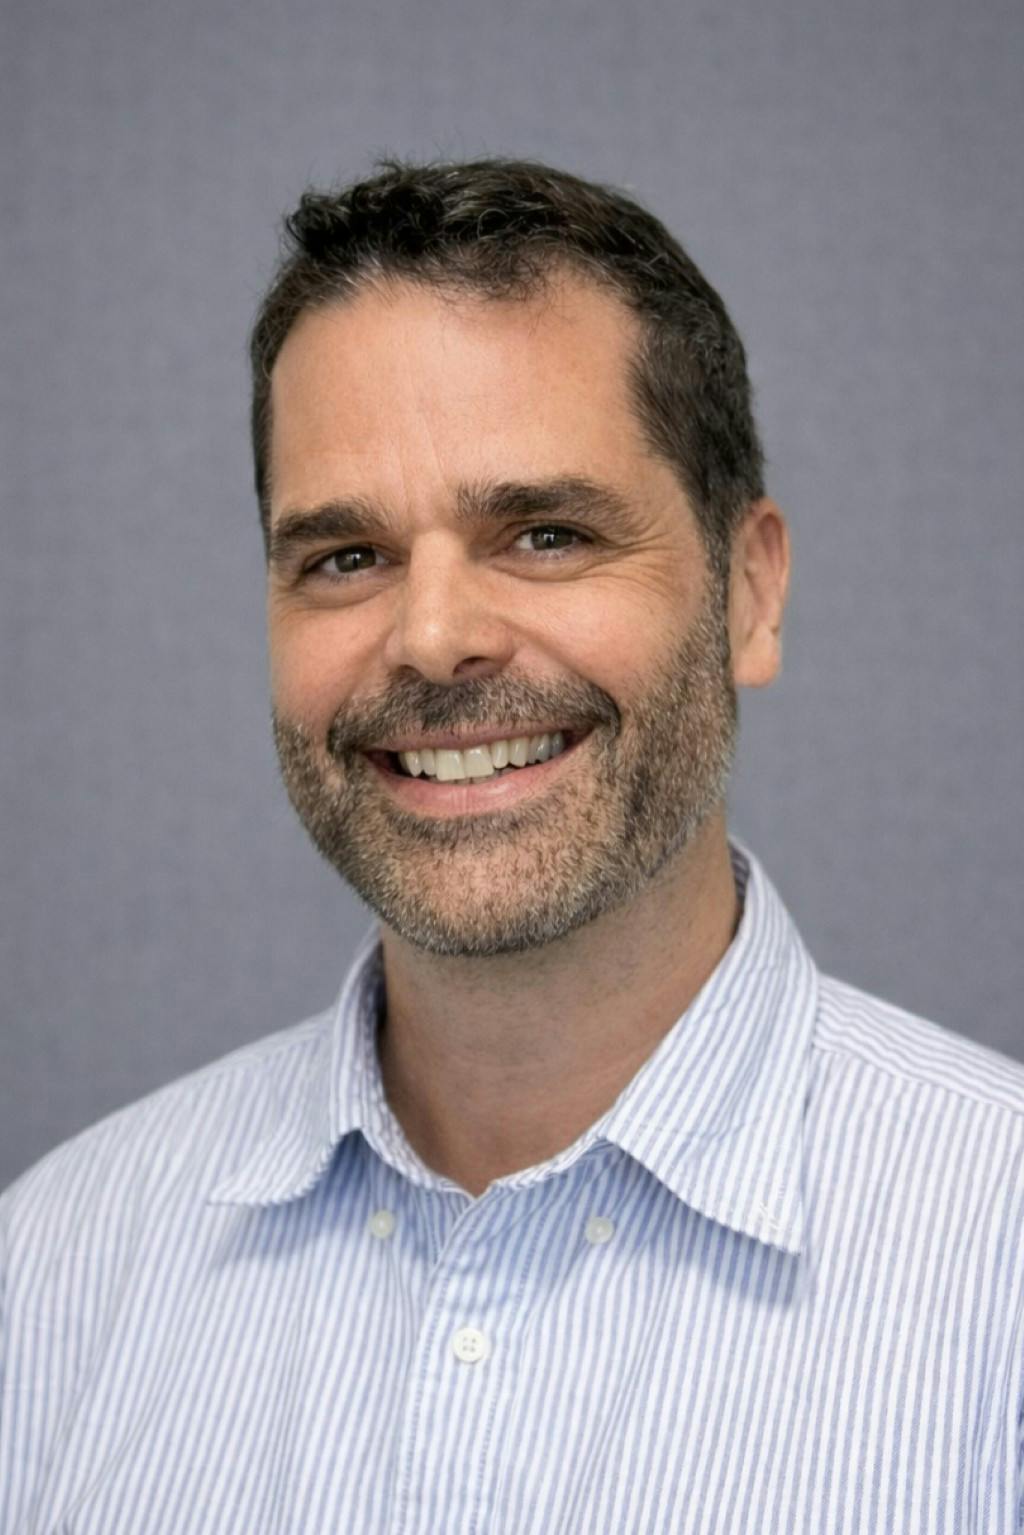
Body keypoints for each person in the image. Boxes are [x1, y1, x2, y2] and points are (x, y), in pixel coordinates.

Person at [1, 158, 1021, 1534]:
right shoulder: (54, 1277)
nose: (432, 640)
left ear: (750, 593)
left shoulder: (999, 1260)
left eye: (545, 533)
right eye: (346, 558)